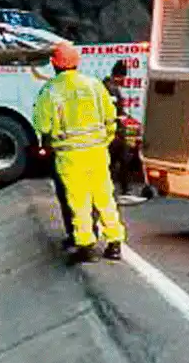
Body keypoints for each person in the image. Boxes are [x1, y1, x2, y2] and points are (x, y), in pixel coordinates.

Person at [32, 43, 127, 265]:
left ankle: (86, 246)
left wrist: (48, 146)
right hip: (97, 152)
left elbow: (42, 125)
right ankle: (115, 243)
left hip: (70, 157)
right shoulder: (94, 86)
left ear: (54, 64)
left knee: (79, 201)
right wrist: (104, 141)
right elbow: (110, 118)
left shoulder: (50, 91)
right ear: (77, 62)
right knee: (104, 197)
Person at [103, 60, 133, 197]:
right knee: (115, 160)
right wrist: (118, 118)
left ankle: (124, 188)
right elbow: (108, 110)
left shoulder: (111, 87)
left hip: (116, 131)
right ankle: (118, 188)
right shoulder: (108, 89)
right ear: (119, 76)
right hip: (112, 131)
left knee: (121, 160)